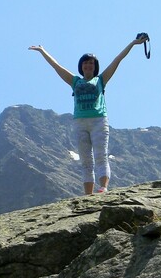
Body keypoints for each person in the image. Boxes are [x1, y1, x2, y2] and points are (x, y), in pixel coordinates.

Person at [29, 36, 148, 194]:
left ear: (95, 66)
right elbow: (56, 66)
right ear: (81, 66)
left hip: (99, 120)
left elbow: (117, 60)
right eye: (85, 62)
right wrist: (43, 51)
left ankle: (103, 188)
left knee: (100, 155)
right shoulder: (74, 81)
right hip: (80, 122)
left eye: (91, 63)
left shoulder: (101, 80)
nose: (88, 65)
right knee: (85, 160)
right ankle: (88, 195)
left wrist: (133, 43)